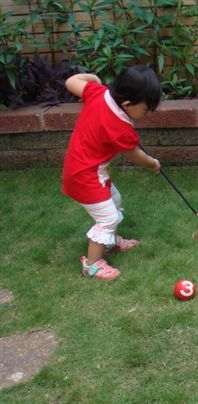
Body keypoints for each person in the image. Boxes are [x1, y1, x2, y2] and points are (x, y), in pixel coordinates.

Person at [62, 65, 162, 280]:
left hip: (87, 169)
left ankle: (110, 242)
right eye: (146, 110)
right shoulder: (120, 127)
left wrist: (92, 78)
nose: (147, 115)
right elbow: (135, 155)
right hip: (84, 176)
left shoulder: (98, 92)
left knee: (114, 200)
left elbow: (71, 82)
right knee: (108, 218)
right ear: (127, 104)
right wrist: (152, 163)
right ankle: (92, 264)